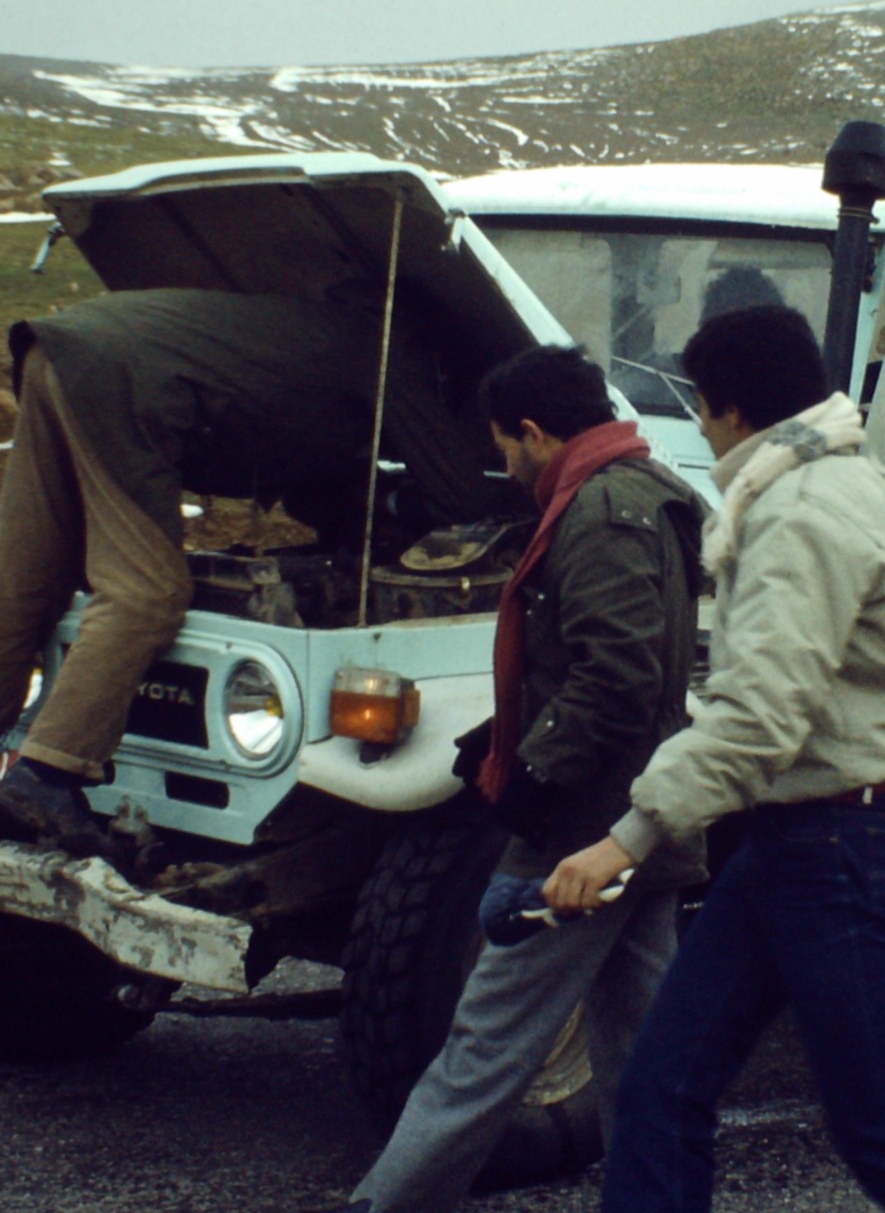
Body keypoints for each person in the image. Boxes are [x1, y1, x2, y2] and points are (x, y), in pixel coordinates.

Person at [543, 305, 885, 1213]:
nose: (693, 422)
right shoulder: (862, 493)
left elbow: (760, 716)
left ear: (723, 406)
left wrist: (626, 840)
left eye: (695, 404)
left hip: (827, 847)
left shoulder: (793, 518)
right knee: (662, 1088)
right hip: (815, 843)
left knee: (882, 1129)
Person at [329, 345, 706, 1213]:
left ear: (536, 433)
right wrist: (498, 740)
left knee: (484, 1045)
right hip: (632, 823)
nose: (504, 464)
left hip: (582, 831)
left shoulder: (604, 510)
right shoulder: (636, 490)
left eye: (505, 445)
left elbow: (618, 676)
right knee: (643, 1049)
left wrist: (532, 774)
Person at [0, 286, 497, 848]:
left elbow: (305, 474)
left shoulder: (312, 335)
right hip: (122, 381)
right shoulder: (389, 353)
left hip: (62, 352)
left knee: (23, 581)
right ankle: (48, 776)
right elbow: (464, 498)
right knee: (146, 592)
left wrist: (371, 511)